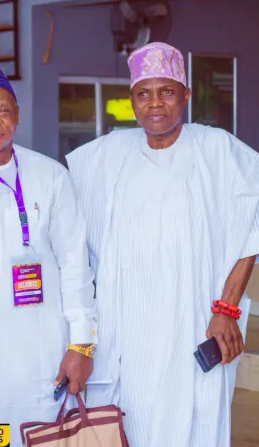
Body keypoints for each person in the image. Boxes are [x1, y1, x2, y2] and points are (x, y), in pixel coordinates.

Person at [67, 42, 259, 447]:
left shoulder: (216, 149)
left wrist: (226, 308)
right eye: (144, 93)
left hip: (195, 323)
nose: (155, 103)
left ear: (185, 95)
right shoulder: (105, 156)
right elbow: (64, 227)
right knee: (129, 424)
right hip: (126, 331)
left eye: (167, 91)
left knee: (195, 422)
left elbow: (252, 224)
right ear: (132, 100)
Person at [0, 67, 97, 432]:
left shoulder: (51, 176)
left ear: (17, 114)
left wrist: (81, 344)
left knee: (41, 433)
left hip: (43, 351)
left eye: (3, 110)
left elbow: (75, 264)